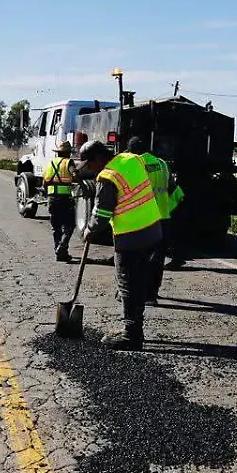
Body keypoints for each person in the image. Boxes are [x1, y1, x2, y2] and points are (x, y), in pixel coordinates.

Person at [79, 140, 163, 350]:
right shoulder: (131, 159)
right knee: (140, 282)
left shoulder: (107, 177)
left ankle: (131, 336)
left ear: (98, 158)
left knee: (128, 286)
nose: (89, 169)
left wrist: (89, 229)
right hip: (152, 230)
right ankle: (135, 330)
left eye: (89, 164)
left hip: (131, 237)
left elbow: (101, 214)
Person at [126, 136, 182, 303]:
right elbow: (172, 189)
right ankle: (151, 295)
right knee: (157, 259)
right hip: (163, 218)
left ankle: (132, 291)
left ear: (131, 151)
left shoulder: (134, 164)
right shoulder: (162, 164)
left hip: (141, 219)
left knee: (136, 258)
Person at [42, 141, 77, 262]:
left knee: (55, 227)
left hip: (52, 199)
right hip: (65, 199)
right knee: (69, 226)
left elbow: (44, 182)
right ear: (67, 153)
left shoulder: (51, 163)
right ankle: (62, 248)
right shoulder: (69, 162)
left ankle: (59, 252)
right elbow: (74, 174)